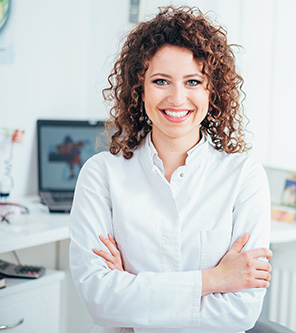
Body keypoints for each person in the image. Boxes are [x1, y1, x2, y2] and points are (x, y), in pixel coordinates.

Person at [69, 6, 272, 333]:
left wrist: (131, 289)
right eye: (161, 81)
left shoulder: (244, 177)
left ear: (212, 91)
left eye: (193, 81)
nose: (177, 98)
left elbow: (240, 312)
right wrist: (214, 280)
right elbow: (99, 301)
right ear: (140, 88)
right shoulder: (101, 174)